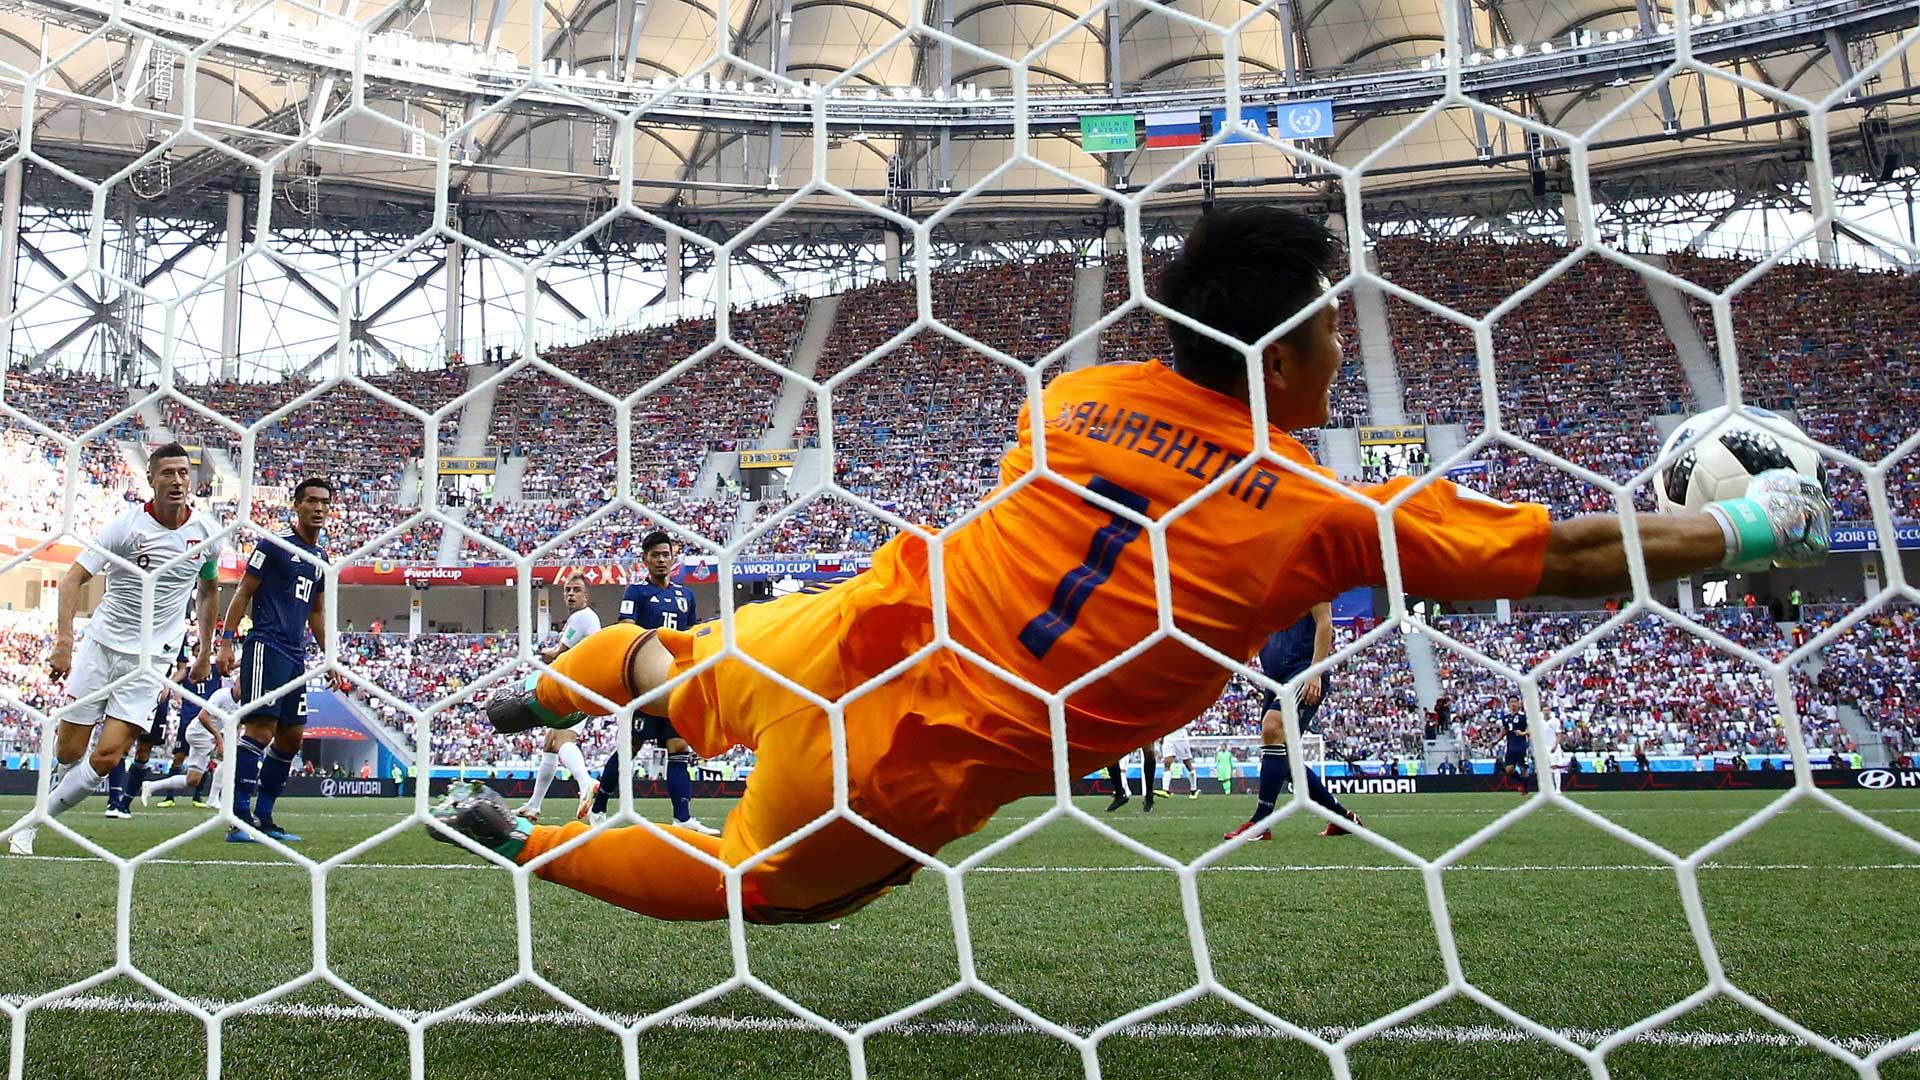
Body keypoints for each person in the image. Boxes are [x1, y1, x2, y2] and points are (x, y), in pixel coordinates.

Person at [434, 205, 1833, 926]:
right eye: (1333, 329)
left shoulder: (1071, 397)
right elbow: (1582, 551)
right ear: (1285, 354)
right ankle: (525, 840)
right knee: (782, 888)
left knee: (685, 670)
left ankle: (547, 695)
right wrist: (1760, 527)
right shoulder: (1315, 510)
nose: (1346, 349)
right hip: (911, 747)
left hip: (847, 618)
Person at [7, 444, 222, 855]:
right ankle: (52, 795)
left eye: (183, 473)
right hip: (102, 648)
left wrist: (204, 650)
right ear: (151, 480)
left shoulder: (206, 533)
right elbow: (73, 579)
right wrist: (64, 641)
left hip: (151, 660)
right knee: (69, 750)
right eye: (168, 473)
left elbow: (209, 589)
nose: (177, 480)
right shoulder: (125, 528)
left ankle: (30, 825)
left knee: (106, 758)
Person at [216, 477, 333, 844]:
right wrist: (226, 641)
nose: (318, 508)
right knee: (260, 731)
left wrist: (331, 658)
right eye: (311, 501)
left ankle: (265, 818)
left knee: (291, 739)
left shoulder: (322, 559)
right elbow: (243, 591)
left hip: (295, 656)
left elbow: (316, 612)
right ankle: (238, 819)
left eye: (324, 502)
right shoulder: (275, 543)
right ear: (296, 506)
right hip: (266, 646)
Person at [584, 532, 717, 835]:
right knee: (630, 747)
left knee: (678, 747)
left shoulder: (687, 595)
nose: (660, 560)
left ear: (673, 558)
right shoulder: (637, 592)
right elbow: (625, 630)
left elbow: (692, 635)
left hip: (673, 684)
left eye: (665, 555)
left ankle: (683, 819)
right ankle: (600, 804)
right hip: (644, 686)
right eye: (654, 555)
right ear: (645, 559)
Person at [1225, 603, 1362, 840]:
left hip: (1301, 672)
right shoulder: (1265, 586)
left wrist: (1315, 672)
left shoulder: (1309, 578)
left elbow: (1325, 621)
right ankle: (1342, 818)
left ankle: (1261, 822)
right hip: (1275, 678)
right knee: (1286, 762)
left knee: (1272, 728)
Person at [516, 577, 601, 822]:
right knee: (550, 742)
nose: (571, 594)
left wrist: (543, 654)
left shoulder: (582, 617)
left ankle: (586, 783)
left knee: (562, 738)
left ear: (587, 596)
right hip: (579, 685)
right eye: (567, 590)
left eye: (577, 590)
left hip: (577, 687)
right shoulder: (584, 618)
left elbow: (558, 654)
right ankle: (534, 804)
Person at [141, 682, 227, 805]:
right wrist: (218, 737)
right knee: (229, 758)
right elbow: (203, 715)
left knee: (192, 780)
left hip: (206, 735)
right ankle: (213, 799)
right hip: (200, 734)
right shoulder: (223, 695)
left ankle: (151, 786)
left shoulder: (242, 701)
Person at [1157, 723, 1201, 799]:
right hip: (1168, 737)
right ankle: (1165, 790)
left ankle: (1194, 790)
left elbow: (1191, 724)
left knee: (1187, 764)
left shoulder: (1184, 711)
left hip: (1181, 738)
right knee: (1167, 763)